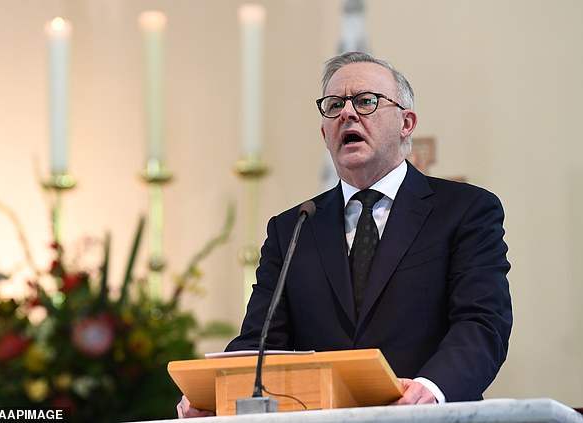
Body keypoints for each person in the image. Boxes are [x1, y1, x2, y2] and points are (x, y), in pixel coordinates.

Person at [177, 51, 512, 417]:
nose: (348, 113)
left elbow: (481, 324)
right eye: (334, 105)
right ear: (325, 133)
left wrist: (431, 388)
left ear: (406, 123)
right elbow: (262, 343)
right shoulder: (293, 227)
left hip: (425, 417)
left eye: (366, 101)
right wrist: (214, 394)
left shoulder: (465, 210)